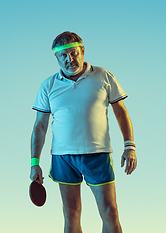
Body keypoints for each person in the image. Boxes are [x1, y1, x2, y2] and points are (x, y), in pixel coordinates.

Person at [30, 31, 137, 233]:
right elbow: (40, 126)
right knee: (71, 213)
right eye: (63, 55)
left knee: (110, 213)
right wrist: (35, 162)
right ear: (57, 58)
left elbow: (121, 111)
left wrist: (129, 146)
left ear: (82, 51)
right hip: (63, 157)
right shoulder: (48, 86)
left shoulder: (103, 76)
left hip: (97, 154)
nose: (70, 59)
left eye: (74, 53)